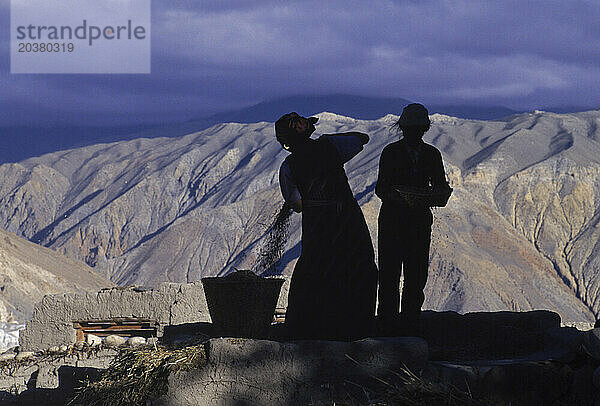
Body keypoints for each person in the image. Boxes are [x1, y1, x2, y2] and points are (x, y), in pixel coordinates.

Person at [276, 112, 378, 341]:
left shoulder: (288, 166)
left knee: (315, 269)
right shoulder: (331, 146)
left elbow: (297, 203)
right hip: (347, 217)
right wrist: (326, 140)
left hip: (317, 223)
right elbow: (362, 138)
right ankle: (357, 326)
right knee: (359, 265)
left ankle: (310, 328)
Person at [375, 103, 451, 335]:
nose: (414, 133)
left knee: (416, 274)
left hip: (418, 222)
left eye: (417, 129)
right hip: (393, 220)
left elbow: (439, 185)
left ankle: (410, 323)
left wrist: (436, 194)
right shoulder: (391, 153)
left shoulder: (431, 155)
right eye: (411, 128)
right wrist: (400, 198)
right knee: (389, 273)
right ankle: (388, 324)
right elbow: (381, 189)